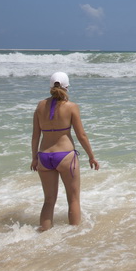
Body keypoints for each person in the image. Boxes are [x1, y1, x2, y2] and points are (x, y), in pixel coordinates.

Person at [30, 71, 100, 231]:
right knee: (73, 199)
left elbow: (35, 136)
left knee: (49, 200)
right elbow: (81, 135)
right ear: (67, 86)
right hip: (66, 156)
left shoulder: (40, 106)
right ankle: (74, 238)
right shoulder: (71, 107)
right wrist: (91, 156)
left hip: (44, 156)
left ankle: (43, 236)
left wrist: (34, 158)